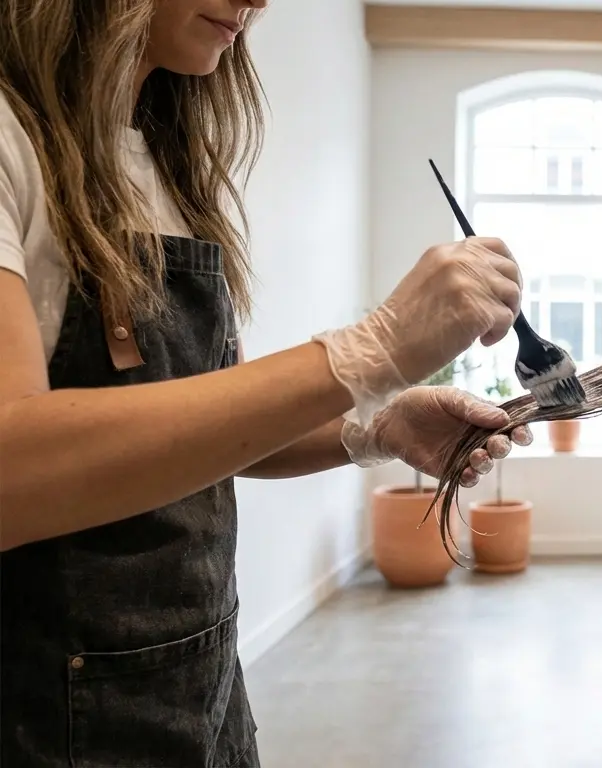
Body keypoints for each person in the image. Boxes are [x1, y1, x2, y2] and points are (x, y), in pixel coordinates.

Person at [0, 1, 531, 765]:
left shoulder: (166, 167)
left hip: (203, 692)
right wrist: (371, 348)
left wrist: (376, 427)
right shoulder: (13, 138)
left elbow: (208, 427)